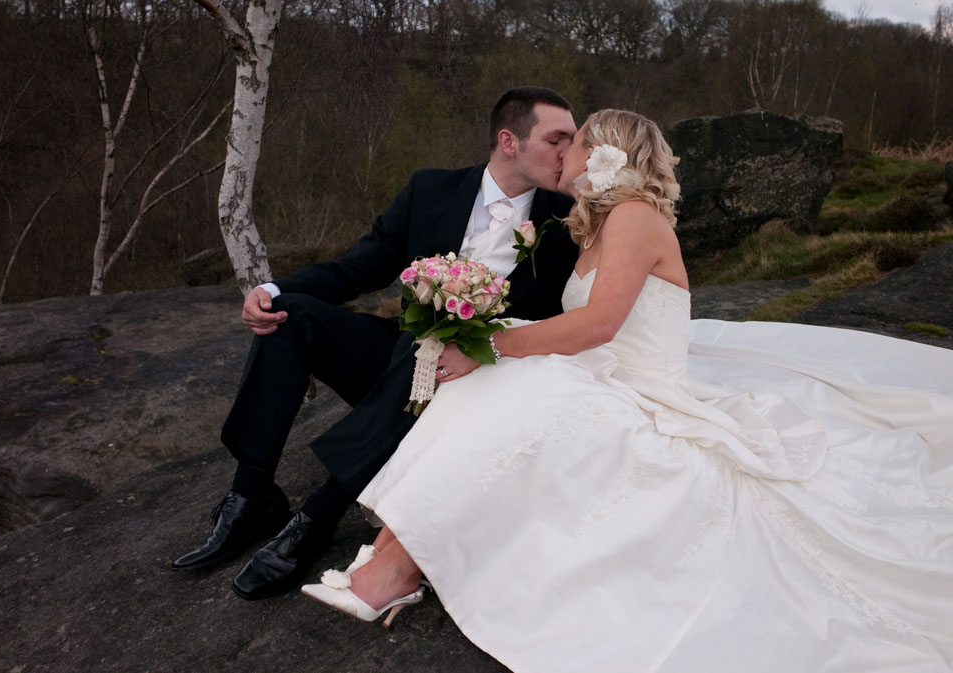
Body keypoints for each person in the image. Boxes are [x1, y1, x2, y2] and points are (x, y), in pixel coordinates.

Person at [300, 110, 953, 672]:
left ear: (607, 152)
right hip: (606, 372)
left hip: (642, 388)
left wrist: (489, 345)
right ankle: (394, 556)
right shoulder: (599, 225)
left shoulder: (636, 216)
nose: (564, 153)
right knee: (501, 382)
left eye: (575, 141)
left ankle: (394, 571)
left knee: (515, 386)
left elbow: (600, 323)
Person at [170, 87, 580, 601]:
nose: (569, 150)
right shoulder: (430, 189)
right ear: (510, 141)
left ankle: (318, 514)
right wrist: (274, 290)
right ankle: (252, 493)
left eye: (573, 139)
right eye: (556, 138)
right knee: (292, 317)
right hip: (401, 359)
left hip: (486, 379)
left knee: (425, 347)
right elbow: (359, 267)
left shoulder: (571, 220)